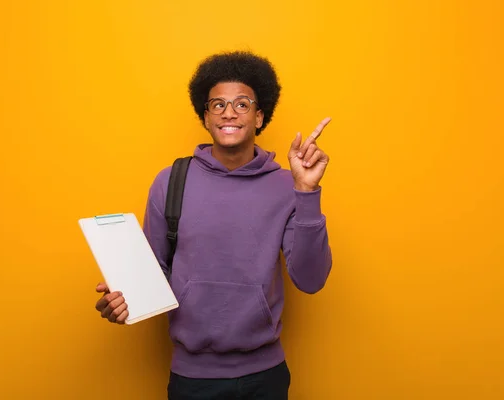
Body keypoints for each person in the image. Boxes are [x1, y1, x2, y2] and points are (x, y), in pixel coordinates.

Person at [94, 50, 333, 399]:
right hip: (192, 378)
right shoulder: (171, 181)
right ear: (205, 117)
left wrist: (307, 192)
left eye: (242, 104)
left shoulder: (287, 186)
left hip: (265, 375)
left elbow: (311, 280)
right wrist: (122, 301)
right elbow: (153, 272)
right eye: (217, 105)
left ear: (259, 116)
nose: (229, 113)